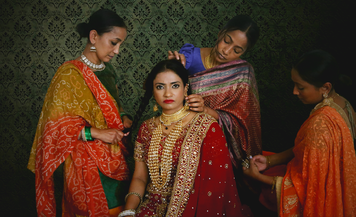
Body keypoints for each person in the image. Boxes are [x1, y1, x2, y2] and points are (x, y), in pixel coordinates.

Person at [27, 9, 133, 217]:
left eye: (120, 44)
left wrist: (123, 118)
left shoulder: (109, 72)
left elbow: (113, 109)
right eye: (114, 42)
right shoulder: (69, 75)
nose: (117, 50)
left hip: (114, 157)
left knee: (120, 209)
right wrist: (97, 133)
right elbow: (55, 130)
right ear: (94, 37)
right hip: (84, 163)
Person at [117, 59, 250, 217]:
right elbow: (139, 178)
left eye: (175, 85)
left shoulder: (206, 126)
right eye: (160, 87)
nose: (168, 93)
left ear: (186, 88)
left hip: (191, 209)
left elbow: (214, 187)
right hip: (149, 208)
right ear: (153, 91)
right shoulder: (146, 128)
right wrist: (128, 211)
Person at [243, 50, 356, 216]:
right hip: (339, 186)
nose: (295, 92)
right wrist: (270, 160)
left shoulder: (320, 124)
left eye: (301, 87)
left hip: (322, 195)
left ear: (325, 87)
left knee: (254, 188)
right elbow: (306, 149)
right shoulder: (342, 103)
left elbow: (305, 190)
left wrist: (257, 178)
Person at [168, 15, 262, 168]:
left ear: (243, 53)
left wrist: (206, 110)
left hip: (219, 143)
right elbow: (166, 95)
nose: (226, 51)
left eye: (237, 50)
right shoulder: (190, 57)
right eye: (226, 41)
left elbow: (243, 123)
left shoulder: (242, 73)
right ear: (221, 33)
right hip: (184, 135)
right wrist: (172, 68)